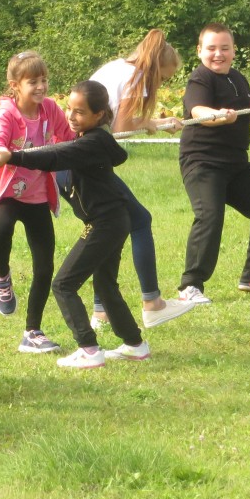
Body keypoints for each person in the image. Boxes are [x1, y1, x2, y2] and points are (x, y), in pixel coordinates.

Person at [0, 80, 149, 369]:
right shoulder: (91, 138)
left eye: (80, 112)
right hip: (113, 220)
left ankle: (89, 349)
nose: (71, 117)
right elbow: (101, 153)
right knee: (105, 284)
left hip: (105, 223)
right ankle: (135, 345)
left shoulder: (91, 143)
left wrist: (13, 156)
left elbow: (54, 156)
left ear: (99, 115)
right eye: (69, 109)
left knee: (63, 284)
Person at [90, 30, 195, 326]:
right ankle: (152, 303)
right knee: (139, 221)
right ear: (155, 68)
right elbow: (121, 128)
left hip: (85, 157)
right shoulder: (136, 77)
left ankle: (101, 310)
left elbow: (114, 121)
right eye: (163, 78)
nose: (161, 84)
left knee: (110, 227)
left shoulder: (117, 67)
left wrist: (155, 123)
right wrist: (151, 122)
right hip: (89, 161)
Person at [176, 24, 250, 301]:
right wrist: (218, 115)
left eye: (225, 48)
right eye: (211, 48)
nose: (218, 54)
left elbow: (247, 116)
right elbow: (198, 111)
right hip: (203, 163)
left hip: (236, 164)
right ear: (199, 51)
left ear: (234, 51)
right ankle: (190, 287)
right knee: (210, 216)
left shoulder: (237, 78)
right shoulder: (200, 78)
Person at [0, 51, 71, 353]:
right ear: (15, 85)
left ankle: (33, 331)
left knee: (44, 265)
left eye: (44, 80)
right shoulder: (8, 112)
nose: (41, 87)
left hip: (37, 195)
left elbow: (68, 136)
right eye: (33, 82)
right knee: (2, 228)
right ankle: (0, 275)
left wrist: (92, 137)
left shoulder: (50, 109)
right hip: (7, 192)